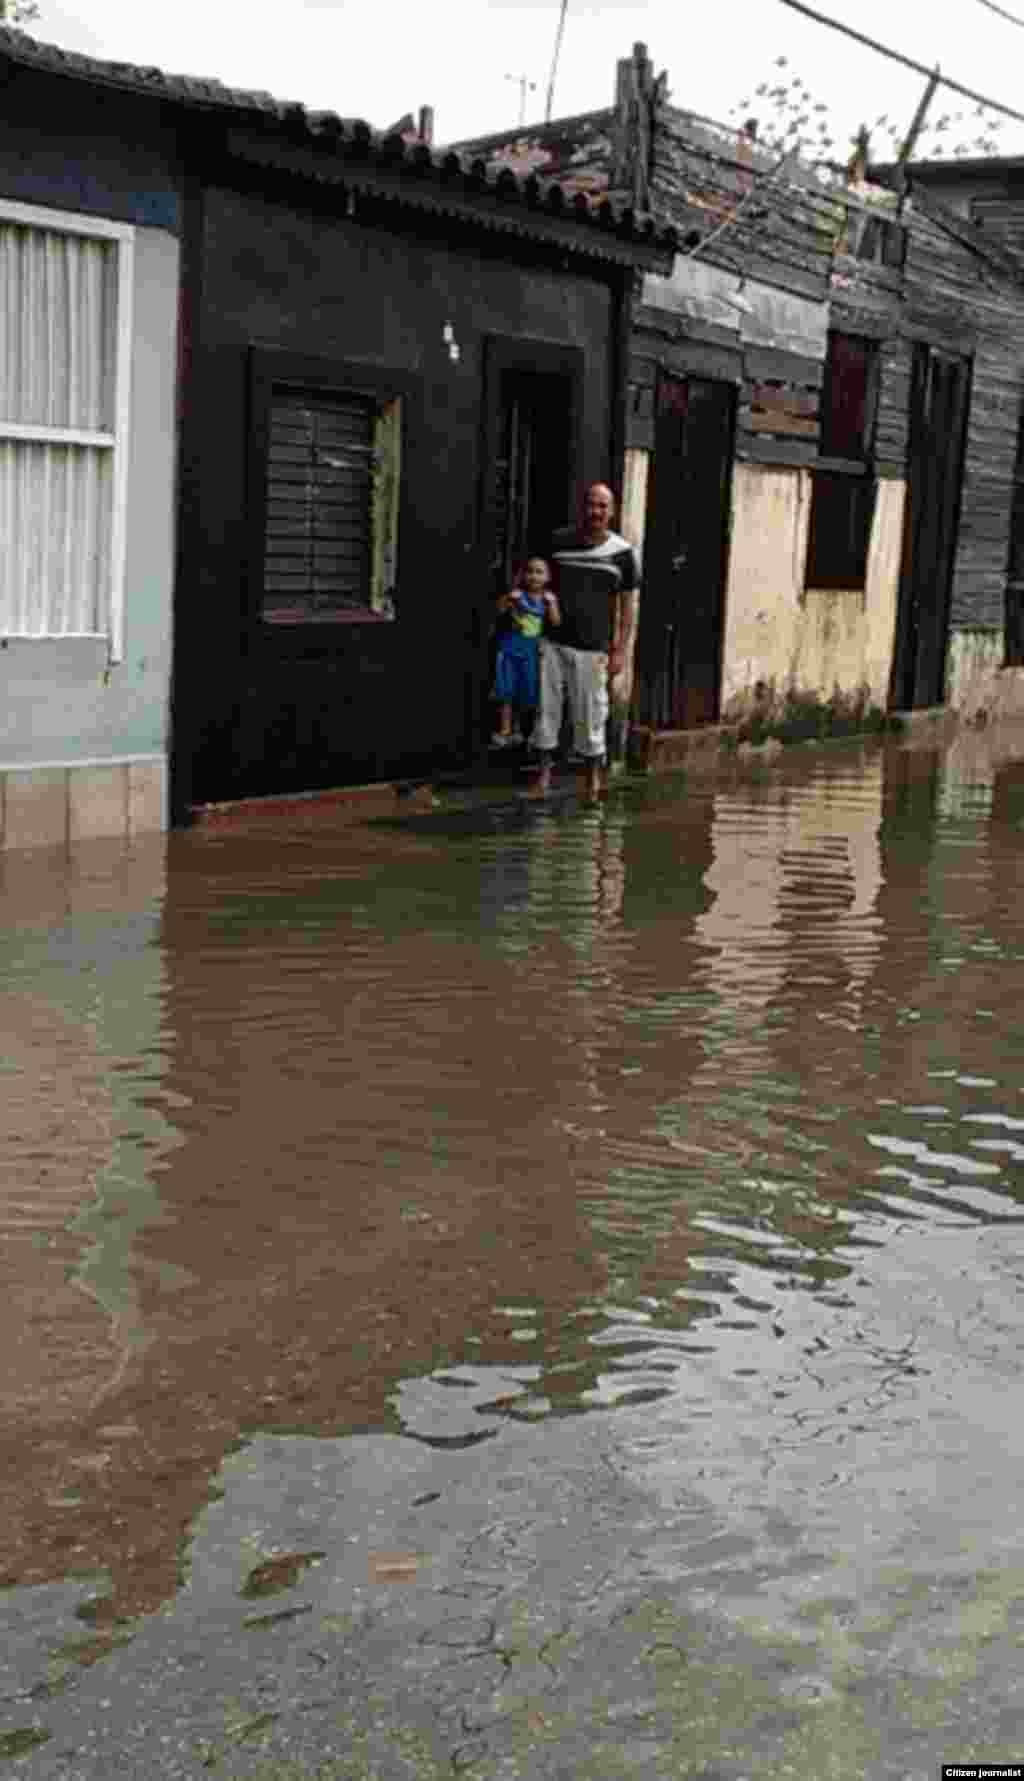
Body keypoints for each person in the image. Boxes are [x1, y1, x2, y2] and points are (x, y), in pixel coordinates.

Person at [532, 483, 638, 800]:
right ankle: (543, 776)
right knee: (546, 710)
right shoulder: (559, 542)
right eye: (591, 505)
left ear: (612, 511)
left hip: (594, 649)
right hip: (553, 643)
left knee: (592, 714)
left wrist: (620, 651)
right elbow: (537, 584)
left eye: (602, 506)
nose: (596, 512)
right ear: (583, 508)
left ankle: (592, 781)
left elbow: (627, 608)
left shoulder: (622, 554)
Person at [491, 558, 560, 748]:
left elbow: (555, 622)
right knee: (506, 690)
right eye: (530, 571)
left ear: (547, 577)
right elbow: (499, 610)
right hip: (511, 647)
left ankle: (522, 730)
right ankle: (505, 730)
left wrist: (552, 604)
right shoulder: (517, 595)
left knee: (528, 691)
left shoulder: (547, 599)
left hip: (531, 650)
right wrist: (508, 598)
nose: (534, 576)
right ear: (523, 575)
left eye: (539, 572)